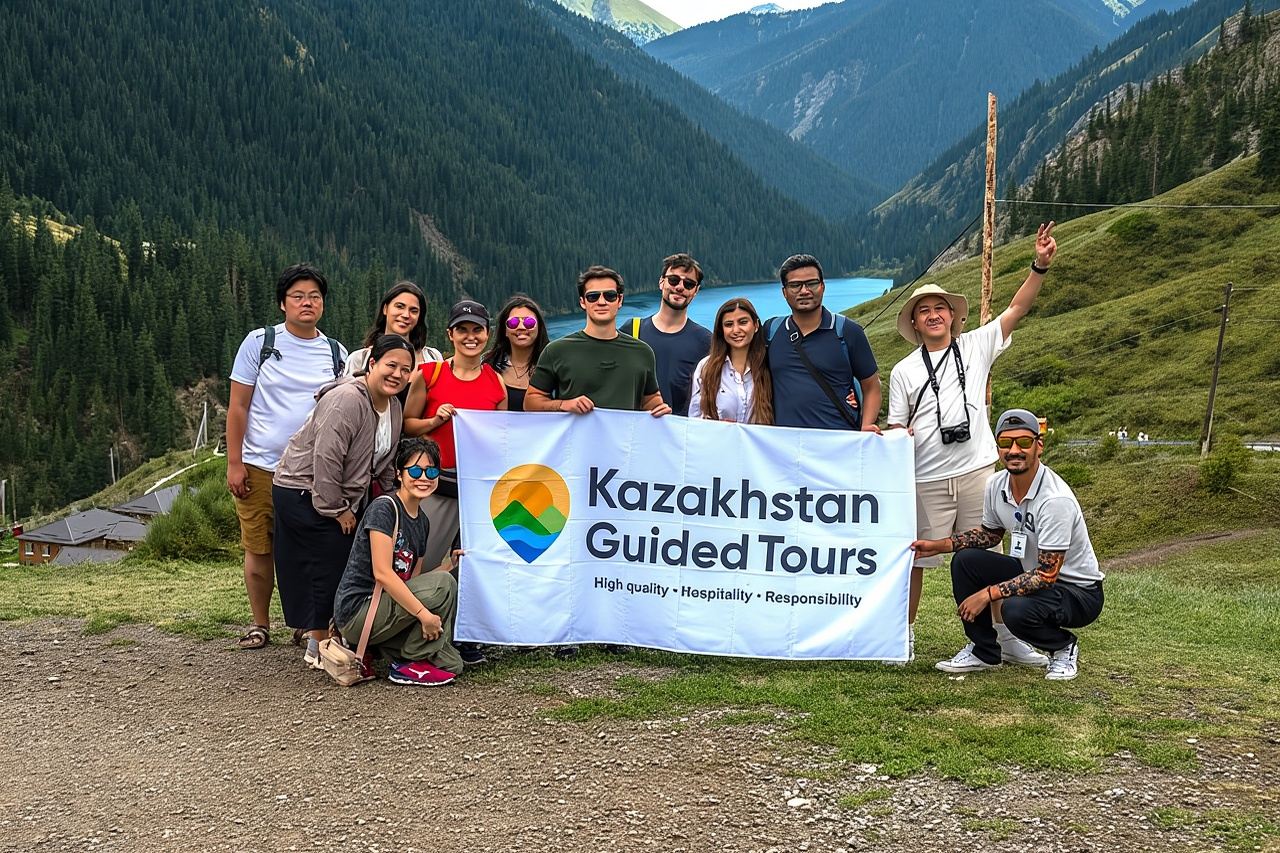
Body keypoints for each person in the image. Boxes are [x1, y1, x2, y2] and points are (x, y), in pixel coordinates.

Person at [887, 221, 1059, 664]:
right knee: (918, 563)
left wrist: (1039, 265)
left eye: (940, 308)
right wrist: (894, 435)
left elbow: (1017, 309)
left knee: (987, 558)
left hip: (979, 473)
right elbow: (895, 428)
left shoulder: (978, 345)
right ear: (914, 321)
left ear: (952, 315)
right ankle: (902, 636)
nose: (933, 315)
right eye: (924, 310)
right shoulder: (903, 371)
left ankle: (1002, 640)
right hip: (925, 477)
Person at [911, 409, 1105, 681]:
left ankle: (1063, 647)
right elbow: (991, 535)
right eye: (1005, 443)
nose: (1014, 450)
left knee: (1014, 609)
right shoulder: (996, 484)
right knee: (967, 561)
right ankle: (985, 652)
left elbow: (1046, 575)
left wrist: (987, 595)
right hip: (1031, 571)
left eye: (1024, 442)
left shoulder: (1054, 500)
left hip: (1077, 591)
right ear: (997, 447)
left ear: (1039, 446)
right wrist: (940, 545)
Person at [272, 334, 414, 669]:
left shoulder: (392, 406)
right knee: (327, 565)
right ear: (371, 363)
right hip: (305, 492)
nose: (397, 374)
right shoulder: (348, 400)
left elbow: (382, 463)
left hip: (340, 496)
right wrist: (337, 511)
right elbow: (326, 458)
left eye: (406, 369)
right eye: (391, 365)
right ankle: (319, 644)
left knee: (342, 563)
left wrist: (394, 502)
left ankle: (329, 638)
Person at [226, 263, 348, 650]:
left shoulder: (335, 352)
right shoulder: (259, 343)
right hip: (262, 465)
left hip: (312, 472)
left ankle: (304, 622)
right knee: (259, 547)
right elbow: (238, 406)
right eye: (298, 296)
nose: (306, 303)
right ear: (283, 303)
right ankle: (260, 623)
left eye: (314, 296)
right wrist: (234, 461)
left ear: (323, 304)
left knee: (304, 552)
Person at [332, 436, 464, 686]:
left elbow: (413, 582)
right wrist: (425, 616)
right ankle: (409, 662)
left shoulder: (423, 521)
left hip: (387, 609)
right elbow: (382, 573)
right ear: (399, 474)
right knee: (444, 584)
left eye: (431, 471)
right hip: (360, 611)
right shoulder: (385, 508)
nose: (423, 477)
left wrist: (447, 565)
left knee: (452, 664)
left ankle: (398, 655)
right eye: (414, 470)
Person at [525, 266, 671, 417]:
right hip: (576, 440)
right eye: (593, 297)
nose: (602, 302)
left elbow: (650, 399)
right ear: (582, 302)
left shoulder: (643, 352)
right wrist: (563, 404)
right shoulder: (556, 350)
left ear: (619, 300)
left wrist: (659, 408)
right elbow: (530, 402)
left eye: (610, 296)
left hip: (624, 440)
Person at [765, 254, 881, 431]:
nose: (804, 291)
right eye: (795, 285)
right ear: (784, 292)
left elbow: (871, 386)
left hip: (839, 444)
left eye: (811, 283)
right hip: (786, 446)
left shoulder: (847, 331)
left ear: (822, 286)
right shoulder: (771, 331)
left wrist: (866, 425)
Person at [621, 253, 712, 417]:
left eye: (689, 284)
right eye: (674, 280)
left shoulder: (705, 341)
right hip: (636, 431)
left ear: (696, 291)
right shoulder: (632, 330)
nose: (680, 287)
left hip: (680, 434)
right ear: (661, 282)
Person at [689, 298, 773, 424]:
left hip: (757, 444)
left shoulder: (770, 365)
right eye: (728, 324)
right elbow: (695, 418)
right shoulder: (706, 367)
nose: (736, 330)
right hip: (719, 442)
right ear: (721, 330)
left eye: (743, 322)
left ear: (756, 325)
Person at [343, 280, 443, 382]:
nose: (406, 315)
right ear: (385, 309)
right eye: (400, 306)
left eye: (413, 311)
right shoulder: (360, 359)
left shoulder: (432, 357)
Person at [484, 294, 549, 412]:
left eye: (529, 322)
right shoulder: (489, 367)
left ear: (539, 328)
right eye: (513, 323)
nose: (521, 327)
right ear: (505, 331)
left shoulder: (553, 365)